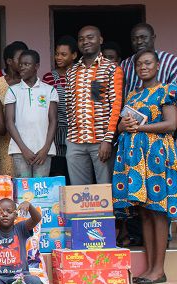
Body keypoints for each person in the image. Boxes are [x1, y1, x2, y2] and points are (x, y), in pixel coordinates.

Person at [113, 50, 177, 284]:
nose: (143, 67)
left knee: (158, 212)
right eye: (139, 64)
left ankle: (159, 269)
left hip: (157, 156)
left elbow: (171, 124)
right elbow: (123, 124)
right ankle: (149, 268)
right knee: (144, 213)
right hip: (136, 158)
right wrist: (123, 127)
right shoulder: (133, 95)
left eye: (148, 63)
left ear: (157, 66)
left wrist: (139, 129)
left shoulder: (167, 90)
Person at [66, 26, 123, 185]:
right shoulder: (71, 72)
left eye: (90, 37)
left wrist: (108, 140)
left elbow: (116, 106)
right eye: (81, 39)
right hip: (75, 141)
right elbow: (70, 106)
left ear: (100, 40)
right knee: (79, 192)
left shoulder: (111, 68)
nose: (85, 42)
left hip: (100, 141)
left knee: (104, 190)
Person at [5, 50, 58, 178]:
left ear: (36, 66)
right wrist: (24, 149)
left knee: (41, 192)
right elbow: (9, 122)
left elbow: (53, 121)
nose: (22, 67)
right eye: (21, 64)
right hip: (19, 150)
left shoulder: (49, 90)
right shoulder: (13, 90)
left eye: (26, 64)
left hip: (43, 151)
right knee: (24, 191)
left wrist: (46, 148)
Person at [0, 41, 29, 176]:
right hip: (5, 142)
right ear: (9, 61)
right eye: (20, 59)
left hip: (30, 140)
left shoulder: (32, 83)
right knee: (7, 182)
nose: (24, 62)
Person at [43, 36, 78, 183]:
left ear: (74, 55)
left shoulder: (81, 75)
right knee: (58, 172)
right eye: (57, 54)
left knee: (76, 173)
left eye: (63, 54)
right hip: (56, 132)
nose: (58, 57)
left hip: (77, 132)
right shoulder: (49, 77)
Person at [121, 23, 177, 97]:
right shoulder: (125, 64)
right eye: (134, 39)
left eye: (143, 37)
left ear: (153, 38)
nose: (139, 42)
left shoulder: (172, 62)